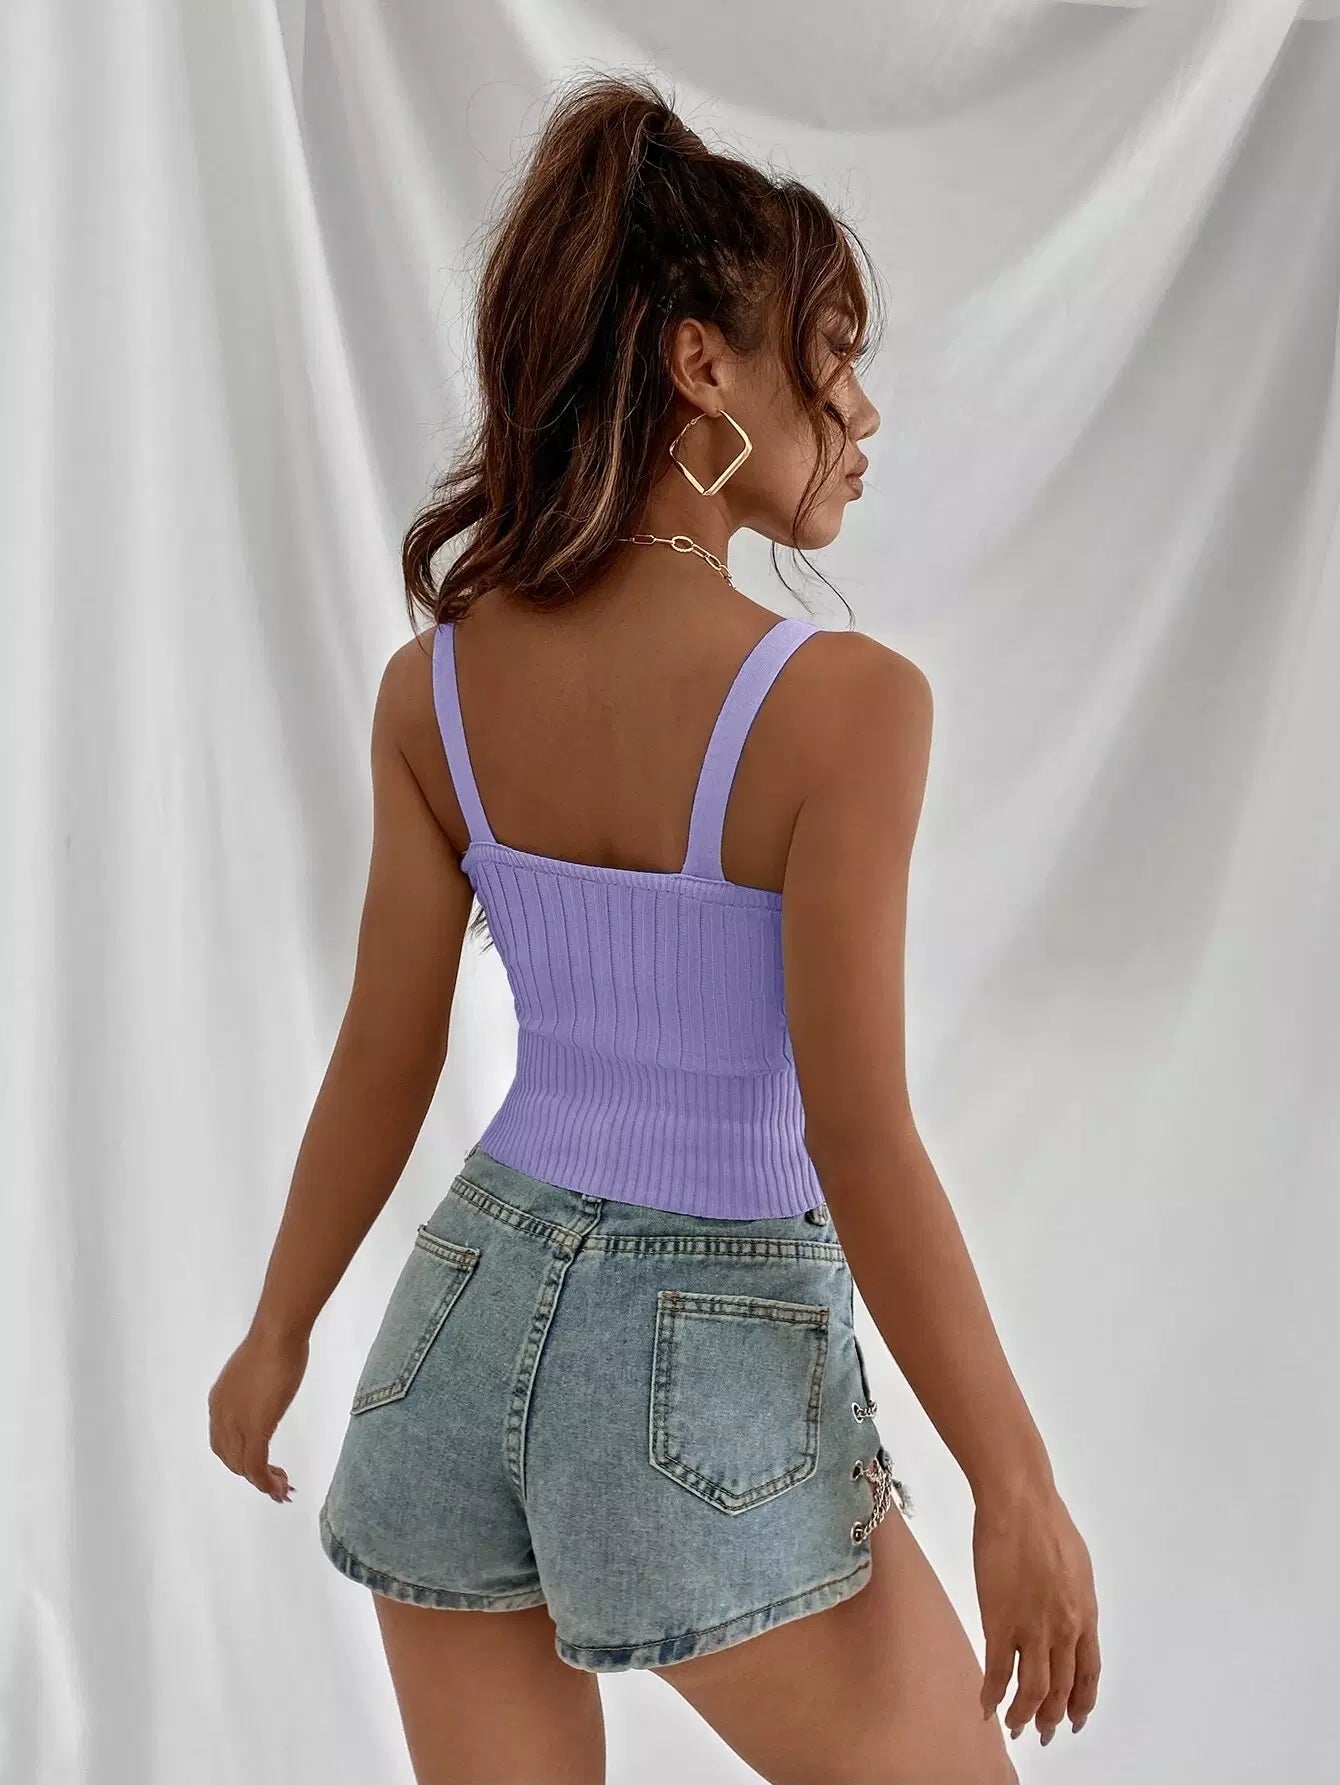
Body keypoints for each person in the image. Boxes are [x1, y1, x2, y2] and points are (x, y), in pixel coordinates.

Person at [208, 71, 1098, 1785]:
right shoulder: (843, 710)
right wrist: (1017, 1484)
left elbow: (383, 1053)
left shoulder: (435, 692)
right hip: (707, 1360)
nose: (865, 413)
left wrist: (279, 1329)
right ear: (704, 369)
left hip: (454, 1335)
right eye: (831, 355)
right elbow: (858, 1134)